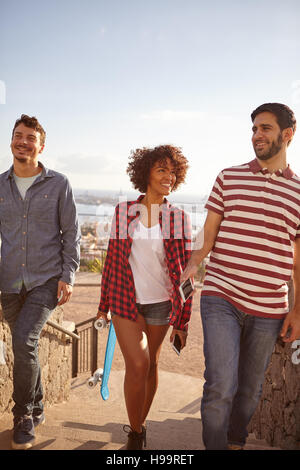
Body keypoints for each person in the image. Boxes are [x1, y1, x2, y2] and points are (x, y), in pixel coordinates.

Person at [181, 103, 300, 450]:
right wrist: (195, 259)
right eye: (254, 129)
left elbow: (297, 264)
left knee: (249, 390)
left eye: (264, 128)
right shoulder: (228, 177)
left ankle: (236, 440)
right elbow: (209, 233)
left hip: (270, 307)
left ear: (287, 134)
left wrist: (296, 311)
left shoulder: (299, 194)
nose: (256, 135)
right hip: (222, 295)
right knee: (220, 384)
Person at [97, 145, 192, 450]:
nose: (168, 177)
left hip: (162, 305)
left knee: (151, 366)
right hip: (126, 301)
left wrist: (183, 321)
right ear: (146, 174)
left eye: (172, 172)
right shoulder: (124, 212)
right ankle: (135, 432)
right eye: (161, 170)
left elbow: (184, 273)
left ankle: (140, 424)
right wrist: (103, 307)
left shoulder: (179, 218)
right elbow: (112, 259)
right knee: (137, 365)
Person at [0, 114, 80, 449]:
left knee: (23, 340)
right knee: (25, 347)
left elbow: (71, 233)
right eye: (18, 135)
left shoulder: (59, 183)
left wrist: (68, 275)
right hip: (7, 281)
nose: (23, 141)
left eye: (30, 137)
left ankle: (23, 416)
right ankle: (38, 403)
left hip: (46, 280)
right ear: (11, 141)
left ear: (40, 145)